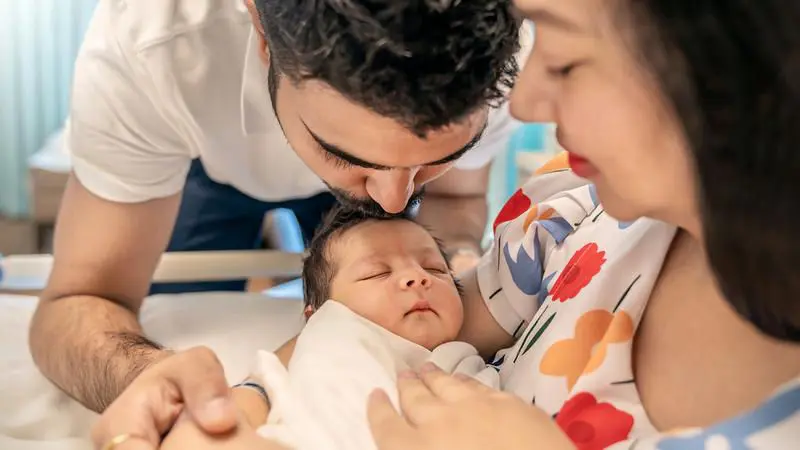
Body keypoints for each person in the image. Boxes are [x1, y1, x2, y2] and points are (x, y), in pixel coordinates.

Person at [98, 0, 800, 448]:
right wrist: (235, 403)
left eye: (564, 58)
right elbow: (359, 328)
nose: (522, 103)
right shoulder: (564, 217)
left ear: (733, 69)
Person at [29, 0, 524, 442]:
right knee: (184, 292)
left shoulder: (501, 50)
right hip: (205, 163)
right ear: (261, 30)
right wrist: (153, 377)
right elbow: (81, 297)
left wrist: (456, 262)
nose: (394, 202)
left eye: (442, 156)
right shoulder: (153, 48)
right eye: (343, 154)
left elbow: (456, 199)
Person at [162, 208, 498, 450]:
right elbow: (257, 394)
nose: (418, 277)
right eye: (377, 273)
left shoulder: (471, 361)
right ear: (316, 315)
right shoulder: (331, 334)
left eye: (435, 269)